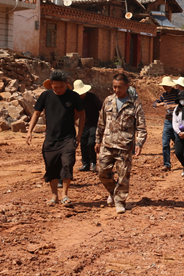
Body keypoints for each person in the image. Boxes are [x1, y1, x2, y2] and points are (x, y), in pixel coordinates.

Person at [27, 70, 84, 206]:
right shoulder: (45, 96)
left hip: (68, 138)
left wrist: (79, 135)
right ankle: (54, 196)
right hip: (51, 138)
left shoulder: (74, 96)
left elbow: (82, 115)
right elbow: (36, 113)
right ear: (51, 85)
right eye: (55, 87)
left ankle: (64, 195)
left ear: (66, 84)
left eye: (61, 87)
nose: (58, 90)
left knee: (67, 163)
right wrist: (29, 131)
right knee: (51, 167)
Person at [95, 73, 147, 213]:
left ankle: (120, 201)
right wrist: (98, 140)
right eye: (114, 87)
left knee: (123, 176)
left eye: (120, 87)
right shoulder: (108, 101)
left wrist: (139, 143)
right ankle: (113, 192)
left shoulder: (134, 103)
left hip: (125, 145)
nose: (116, 90)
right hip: (107, 143)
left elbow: (141, 126)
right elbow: (101, 122)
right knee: (102, 172)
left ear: (127, 86)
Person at [73, 79, 103, 172]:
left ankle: (93, 162)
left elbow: (101, 109)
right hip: (83, 125)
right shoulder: (76, 100)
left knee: (91, 143)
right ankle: (85, 164)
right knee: (83, 144)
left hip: (94, 124)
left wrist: (102, 123)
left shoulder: (93, 97)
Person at [152, 76, 180, 171]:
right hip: (168, 121)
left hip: (178, 121)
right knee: (165, 143)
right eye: (164, 86)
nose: (165, 88)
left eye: (167, 86)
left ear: (171, 86)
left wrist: (172, 106)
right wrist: (161, 104)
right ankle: (167, 164)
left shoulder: (178, 93)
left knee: (179, 142)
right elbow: (154, 103)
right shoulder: (164, 95)